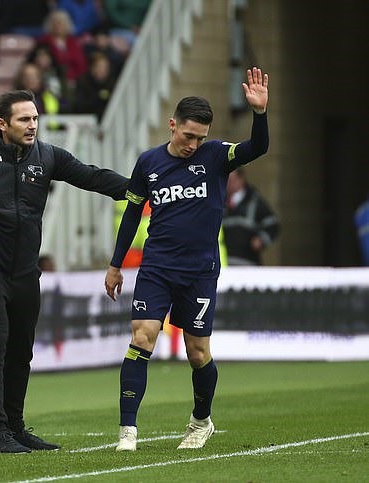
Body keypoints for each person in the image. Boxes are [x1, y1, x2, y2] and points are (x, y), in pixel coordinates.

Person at [0, 89, 127, 454]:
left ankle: (14, 427)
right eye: (24, 119)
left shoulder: (47, 155)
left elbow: (90, 177)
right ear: (1, 123)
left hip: (25, 270)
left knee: (21, 350)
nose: (32, 125)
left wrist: (139, 188)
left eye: (35, 118)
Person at [105, 67, 269, 451]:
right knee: (141, 337)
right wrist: (115, 265)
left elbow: (257, 149)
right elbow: (132, 214)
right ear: (171, 124)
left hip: (199, 271)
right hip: (157, 266)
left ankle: (200, 421)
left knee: (197, 352)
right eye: (187, 135)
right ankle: (127, 431)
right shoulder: (148, 163)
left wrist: (259, 114)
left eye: (200, 137)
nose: (193, 144)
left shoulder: (215, 156)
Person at [223, 167, 279, 265]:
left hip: (248, 264)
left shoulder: (255, 201)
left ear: (241, 179)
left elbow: (273, 225)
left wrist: (261, 240)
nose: (229, 184)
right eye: (226, 180)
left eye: (232, 180)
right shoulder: (219, 202)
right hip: (225, 264)